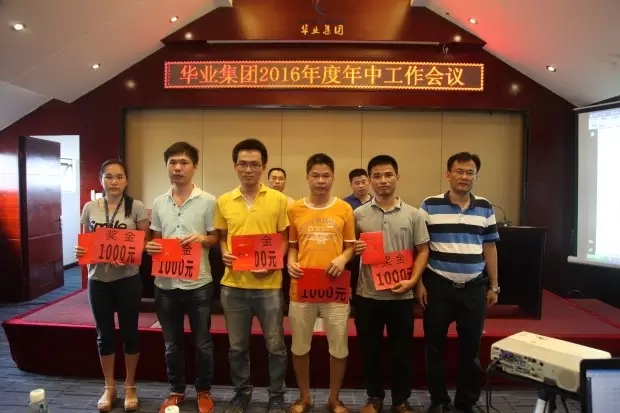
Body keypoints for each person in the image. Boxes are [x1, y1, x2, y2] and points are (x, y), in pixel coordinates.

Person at [418, 152, 500, 413]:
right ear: (448, 174)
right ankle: (439, 400)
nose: (464, 177)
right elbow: (419, 247)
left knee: (471, 348)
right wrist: (419, 283)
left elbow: (490, 248)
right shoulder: (429, 205)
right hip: (438, 286)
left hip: (474, 287)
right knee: (434, 346)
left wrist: (494, 285)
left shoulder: (485, 207)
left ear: (476, 176)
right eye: (459, 171)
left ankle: (466, 401)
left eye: (470, 172)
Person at [214, 138, 289, 413]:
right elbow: (222, 237)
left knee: (276, 345)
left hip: (269, 286)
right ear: (235, 166)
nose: (248, 169)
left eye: (254, 164)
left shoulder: (278, 200)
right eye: (243, 164)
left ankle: (276, 395)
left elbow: (284, 238)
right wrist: (224, 252)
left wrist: (274, 262)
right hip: (233, 286)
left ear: (263, 166)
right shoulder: (224, 201)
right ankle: (241, 393)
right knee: (237, 347)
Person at [144, 142, 219, 413]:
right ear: (166, 166)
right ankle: (176, 390)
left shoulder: (208, 201)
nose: (177, 168)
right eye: (172, 162)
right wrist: (151, 247)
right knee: (171, 343)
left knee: (202, 342)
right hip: (165, 284)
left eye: (184, 162)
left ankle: (204, 390)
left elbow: (215, 238)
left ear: (194, 166)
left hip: (198, 282)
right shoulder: (158, 202)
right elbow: (156, 239)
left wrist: (202, 239)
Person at [353, 155, 430, 413]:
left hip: (402, 296)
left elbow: (423, 250)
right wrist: (355, 249)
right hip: (367, 295)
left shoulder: (414, 214)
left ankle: (401, 400)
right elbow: (348, 249)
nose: (383, 180)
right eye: (377, 176)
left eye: (388, 175)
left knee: (402, 352)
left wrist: (414, 281)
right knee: (370, 351)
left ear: (397, 177)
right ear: (370, 180)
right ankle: (374, 397)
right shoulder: (358, 214)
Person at [75, 159, 150, 412]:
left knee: (130, 333)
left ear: (126, 180)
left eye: (119, 177)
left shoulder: (136, 207)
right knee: (104, 335)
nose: (114, 182)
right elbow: (85, 241)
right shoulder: (90, 207)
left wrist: (128, 255)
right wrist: (81, 251)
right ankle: (109, 387)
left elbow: (143, 243)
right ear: (101, 180)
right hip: (98, 280)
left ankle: (130, 385)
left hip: (127, 279)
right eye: (109, 177)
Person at [287, 153, 356, 413]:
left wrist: (343, 258)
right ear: (307, 177)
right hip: (302, 287)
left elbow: (351, 247)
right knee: (299, 346)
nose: (320, 180)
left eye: (326, 175)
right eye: (315, 175)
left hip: (335, 289)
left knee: (339, 347)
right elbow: (292, 246)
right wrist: (290, 262)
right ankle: (304, 397)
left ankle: (334, 399)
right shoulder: (295, 209)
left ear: (333, 177)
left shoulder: (344, 209)